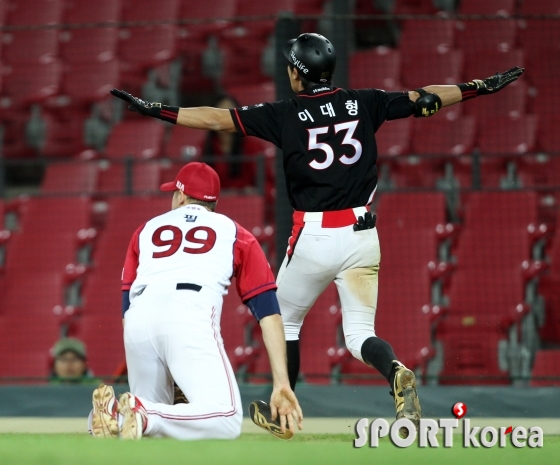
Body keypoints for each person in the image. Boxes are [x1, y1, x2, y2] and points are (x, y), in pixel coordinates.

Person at [110, 32, 524, 437]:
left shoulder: (287, 113)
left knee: (284, 321)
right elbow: (424, 96)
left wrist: (159, 111)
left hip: (315, 234)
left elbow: (218, 119)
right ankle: (396, 370)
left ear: (296, 73)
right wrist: (475, 88)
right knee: (360, 334)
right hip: (363, 233)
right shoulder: (365, 102)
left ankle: (283, 408)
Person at [89, 162, 302, 440]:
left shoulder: (145, 230)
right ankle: (142, 412)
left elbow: (126, 307)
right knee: (226, 418)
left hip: (138, 319)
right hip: (189, 312)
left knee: (152, 428)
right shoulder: (236, 232)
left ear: (180, 196)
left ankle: (112, 413)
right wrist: (282, 382)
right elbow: (269, 312)